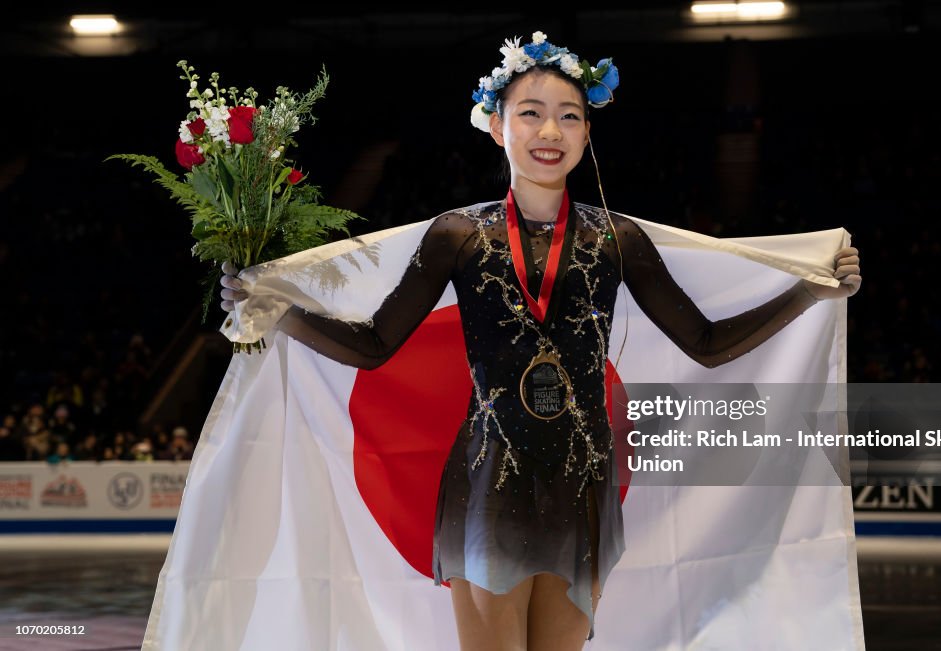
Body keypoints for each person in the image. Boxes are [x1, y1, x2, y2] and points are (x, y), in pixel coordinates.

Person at [219, 32, 860, 651]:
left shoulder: (617, 239)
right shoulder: (457, 235)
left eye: (569, 116)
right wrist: (282, 315)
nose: (550, 132)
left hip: (583, 484)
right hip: (487, 477)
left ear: (588, 130)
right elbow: (375, 344)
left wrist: (808, 295)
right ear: (498, 125)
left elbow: (707, 342)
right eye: (531, 114)